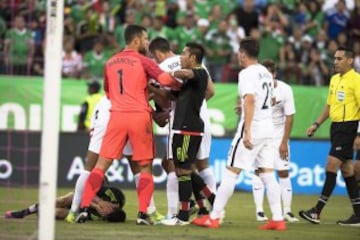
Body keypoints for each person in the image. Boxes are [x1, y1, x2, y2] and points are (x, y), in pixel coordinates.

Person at [76, 24, 180, 225]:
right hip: (139, 117)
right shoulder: (144, 61)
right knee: (145, 168)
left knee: (100, 166)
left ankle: (84, 208)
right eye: (146, 38)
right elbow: (165, 79)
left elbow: (108, 91)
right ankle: (143, 214)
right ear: (137, 40)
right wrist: (181, 83)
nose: (147, 43)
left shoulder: (110, 62)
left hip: (117, 117)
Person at [193, 38, 286, 231]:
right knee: (268, 173)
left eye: (238, 52)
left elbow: (251, 100)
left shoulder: (246, 73)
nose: (238, 55)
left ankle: (214, 217)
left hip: (255, 128)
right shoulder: (265, 73)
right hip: (269, 128)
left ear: (243, 54)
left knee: (231, 171)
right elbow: (269, 99)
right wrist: (244, 108)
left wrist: (248, 129)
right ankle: (278, 218)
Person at [148, 37, 216, 220]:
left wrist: (164, 77)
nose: (181, 56)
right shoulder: (193, 75)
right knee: (187, 167)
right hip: (191, 122)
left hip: (187, 125)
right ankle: (210, 202)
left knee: (179, 168)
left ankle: (179, 213)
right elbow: (173, 95)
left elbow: (183, 79)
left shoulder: (196, 71)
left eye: (185, 54)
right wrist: (154, 88)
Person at [299, 46, 360, 226]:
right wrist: (316, 124)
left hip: (349, 127)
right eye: (334, 58)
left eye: (339, 59)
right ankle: (358, 214)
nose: (335, 62)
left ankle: (317, 211)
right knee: (347, 170)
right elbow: (329, 105)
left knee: (331, 165)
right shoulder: (334, 79)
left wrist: (358, 134)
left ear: (350, 60)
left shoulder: (356, 80)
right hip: (336, 128)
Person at [251, 59, 299, 223]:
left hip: (278, 136)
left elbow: (290, 116)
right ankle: (259, 211)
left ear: (274, 74)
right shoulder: (256, 87)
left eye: (269, 74)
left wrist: (284, 142)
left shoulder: (285, 90)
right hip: (261, 134)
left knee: (283, 172)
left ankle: (287, 211)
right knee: (259, 171)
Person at [5, 185, 126, 223]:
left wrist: (95, 208)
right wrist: (98, 203)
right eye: (108, 210)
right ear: (114, 206)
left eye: (106, 216)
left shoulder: (100, 216)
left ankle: (41, 210)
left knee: (54, 212)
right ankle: (23, 212)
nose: (104, 212)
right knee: (62, 201)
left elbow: (84, 215)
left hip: (80, 209)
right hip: (79, 198)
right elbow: (84, 191)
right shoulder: (114, 194)